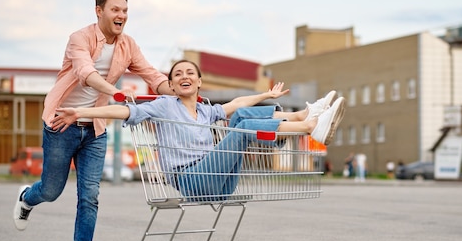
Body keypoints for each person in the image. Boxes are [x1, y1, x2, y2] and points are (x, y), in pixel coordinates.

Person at [12, 0, 175, 241]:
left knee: (89, 195)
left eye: (125, 10)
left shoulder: (128, 45)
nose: (121, 15)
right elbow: (86, 74)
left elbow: (152, 75)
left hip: (95, 129)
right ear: (99, 10)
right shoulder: (79, 38)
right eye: (115, 10)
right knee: (51, 190)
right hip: (62, 123)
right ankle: (27, 197)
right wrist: (116, 93)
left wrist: (176, 92)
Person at [51, 60, 346, 200]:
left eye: (190, 73)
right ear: (172, 84)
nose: (184, 76)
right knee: (240, 128)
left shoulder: (206, 110)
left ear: (200, 82)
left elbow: (239, 103)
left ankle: (305, 115)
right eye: (177, 74)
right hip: (191, 180)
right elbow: (122, 111)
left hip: (218, 180)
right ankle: (309, 126)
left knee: (240, 116)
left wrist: (265, 96)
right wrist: (81, 111)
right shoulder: (164, 105)